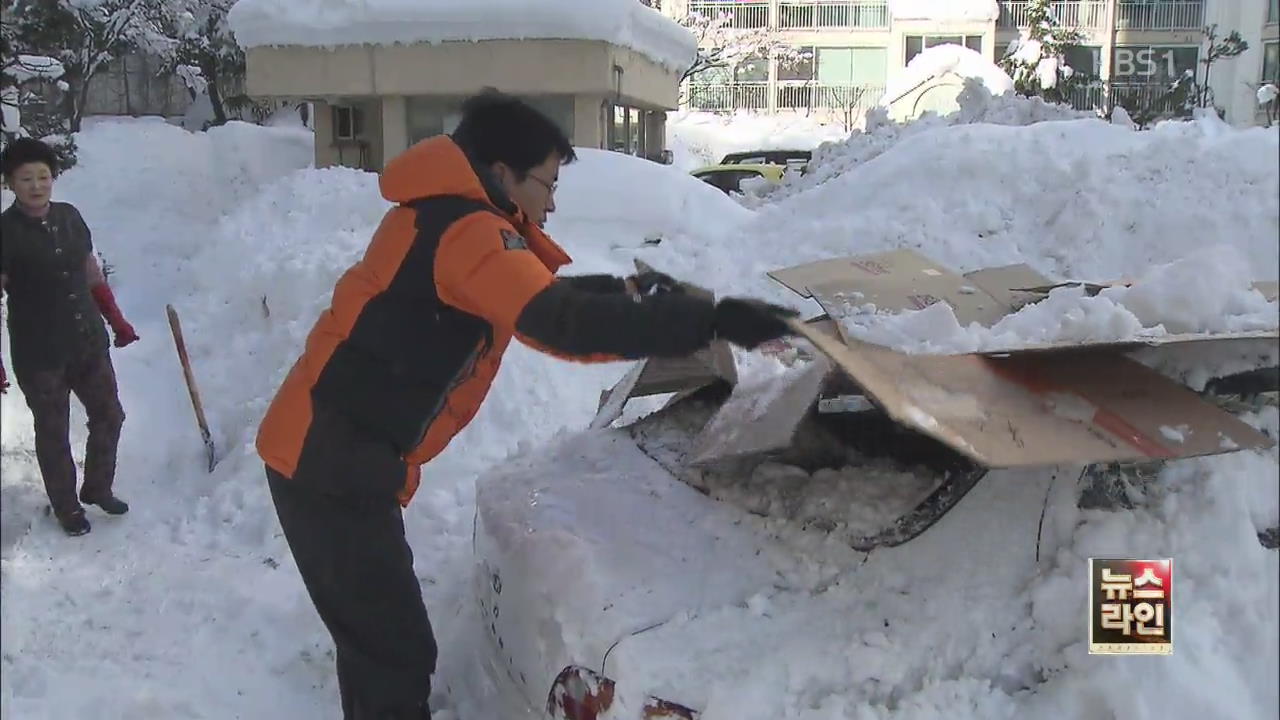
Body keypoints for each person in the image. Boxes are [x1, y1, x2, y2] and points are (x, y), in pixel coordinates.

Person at [255, 89, 796, 719]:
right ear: (502, 173)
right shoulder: (465, 231)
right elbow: (558, 321)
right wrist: (712, 321)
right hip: (329, 461)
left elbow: (525, 289)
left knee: (381, 643)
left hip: (327, 451)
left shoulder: (446, 219)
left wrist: (626, 290)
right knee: (392, 651)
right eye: (548, 180)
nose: (553, 200)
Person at [1, 137, 139, 537]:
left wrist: (117, 321)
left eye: (43, 176)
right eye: (26, 178)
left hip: (87, 341)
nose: (37, 185)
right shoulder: (5, 232)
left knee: (110, 413)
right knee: (53, 430)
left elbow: (91, 275)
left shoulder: (70, 217)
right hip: (39, 351)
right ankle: (67, 508)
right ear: (11, 183)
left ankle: (98, 487)